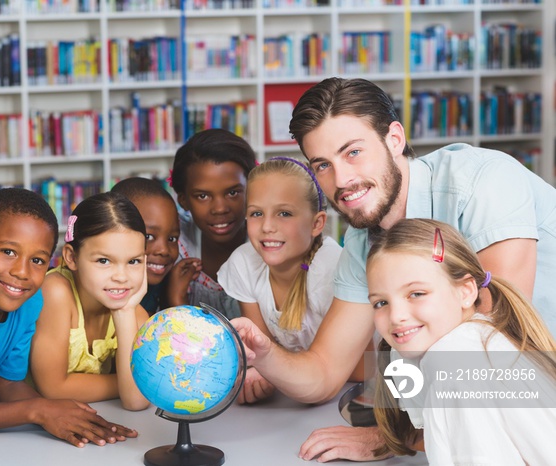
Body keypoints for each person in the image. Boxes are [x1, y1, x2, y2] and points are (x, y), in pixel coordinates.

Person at [231, 77, 556, 462]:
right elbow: (323, 372)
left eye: (352, 152)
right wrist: (265, 354)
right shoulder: (363, 244)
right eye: (323, 165)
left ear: (395, 139)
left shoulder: (484, 182)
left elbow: (488, 344)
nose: (342, 180)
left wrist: (391, 438)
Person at [0, 188, 138, 449]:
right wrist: (37, 411)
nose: (21, 272)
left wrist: (55, 410)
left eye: (38, 260)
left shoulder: (29, 301)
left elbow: (5, 385)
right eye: (8, 252)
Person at [368, 218, 556, 464]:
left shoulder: (454, 365)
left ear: (465, 292)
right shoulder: (468, 341)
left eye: (417, 294)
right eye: (381, 302)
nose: (396, 316)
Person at [218, 157, 343, 404]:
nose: (266, 226)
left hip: (350, 394)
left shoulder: (332, 270)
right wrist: (263, 373)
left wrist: (274, 373)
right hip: (296, 398)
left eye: (284, 213)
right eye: (256, 213)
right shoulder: (244, 263)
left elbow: (359, 369)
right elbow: (262, 351)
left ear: (317, 223)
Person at [29, 192, 150, 410]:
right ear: (71, 257)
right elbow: (54, 389)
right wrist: (129, 381)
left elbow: (136, 401)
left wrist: (124, 314)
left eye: (133, 261)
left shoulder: (134, 312)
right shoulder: (56, 292)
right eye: (104, 261)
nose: (121, 277)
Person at [167, 128, 258, 319]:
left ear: (252, 188)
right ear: (183, 199)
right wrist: (175, 301)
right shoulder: (171, 244)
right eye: (203, 196)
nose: (220, 208)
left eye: (233, 192)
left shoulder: (271, 240)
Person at [111, 177, 180, 315]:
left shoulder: (157, 283)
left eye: (172, 238)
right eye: (149, 237)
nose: (164, 250)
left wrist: (175, 299)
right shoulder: (101, 288)